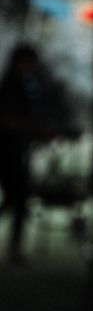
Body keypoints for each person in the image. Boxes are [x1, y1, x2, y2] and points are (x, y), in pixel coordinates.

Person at [0, 44, 50, 262]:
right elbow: (9, 120)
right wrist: (36, 129)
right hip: (7, 149)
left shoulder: (23, 85)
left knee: (16, 198)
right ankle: (14, 248)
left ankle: (15, 247)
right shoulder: (11, 86)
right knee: (17, 197)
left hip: (15, 149)